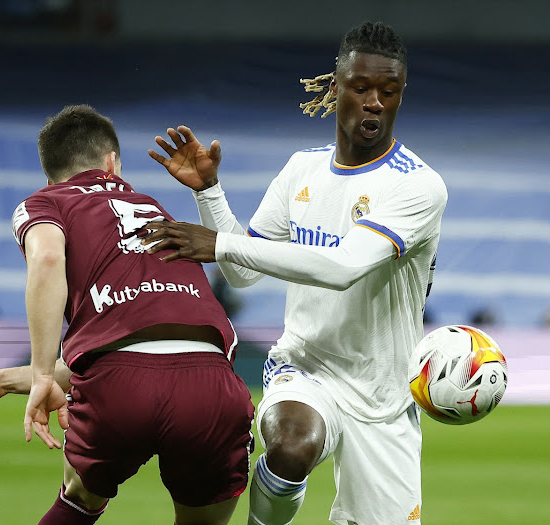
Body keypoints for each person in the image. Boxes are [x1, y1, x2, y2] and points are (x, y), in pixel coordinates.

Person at [144, 21, 447, 525]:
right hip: (304, 368)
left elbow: (343, 267)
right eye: (361, 88)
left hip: (382, 396)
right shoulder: (300, 171)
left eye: (388, 92)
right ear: (335, 88)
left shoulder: (418, 187)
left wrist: (219, 244)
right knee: (290, 444)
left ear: (400, 96)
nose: (375, 102)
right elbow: (242, 275)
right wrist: (208, 194)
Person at [0, 104, 254, 525]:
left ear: (49, 177)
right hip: (210, 382)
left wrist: (42, 375)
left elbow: (50, 263)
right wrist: (5, 379)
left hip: (118, 385)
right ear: (113, 163)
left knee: (78, 499)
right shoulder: (156, 210)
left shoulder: (45, 201)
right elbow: (152, 344)